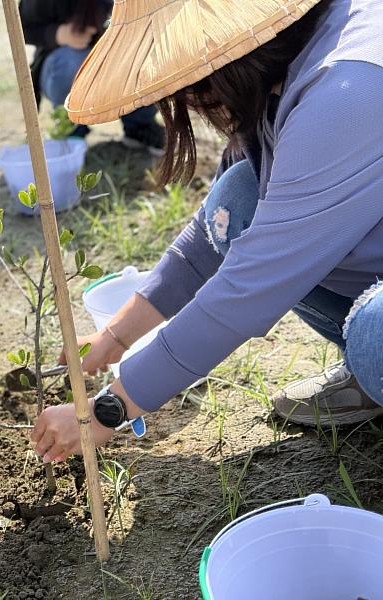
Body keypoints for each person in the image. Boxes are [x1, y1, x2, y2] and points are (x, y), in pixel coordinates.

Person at [32, 0, 383, 462]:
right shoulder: (282, 65)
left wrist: (107, 410)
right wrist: (115, 337)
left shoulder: (346, 91)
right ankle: (370, 369)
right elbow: (211, 236)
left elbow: (251, 285)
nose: (188, 102)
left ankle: (371, 360)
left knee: (374, 332)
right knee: (237, 201)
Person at [19, 0, 164, 153]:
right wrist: (60, 34)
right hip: (62, 66)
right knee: (71, 59)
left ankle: (139, 127)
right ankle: (72, 131)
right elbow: (20, 27)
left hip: (114, 61)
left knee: (139, 50)